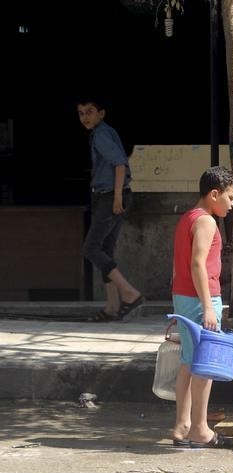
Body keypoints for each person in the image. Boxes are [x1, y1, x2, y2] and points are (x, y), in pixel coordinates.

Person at [171, 166, 233, 448]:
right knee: (204, 363)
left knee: (188, 361)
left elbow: (177, 266)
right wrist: (208, 307)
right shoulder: (206, 222)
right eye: (231, 198)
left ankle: (182, 424)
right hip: (202, 299)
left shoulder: (187, 217)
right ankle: (200, 429)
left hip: (184, 296)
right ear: (214, 194)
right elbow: (197, 263)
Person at [77, 97, 143, 322]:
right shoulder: (102, 132)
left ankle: (129, 293)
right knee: (104, 249)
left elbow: (120, 164)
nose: (85, 117)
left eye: (90, 111)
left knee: (91, 248)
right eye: (81, 113)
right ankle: (112, 307)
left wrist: (116, 197)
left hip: (111, 196)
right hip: (110, 195)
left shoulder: (102, 134)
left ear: (101, 113)